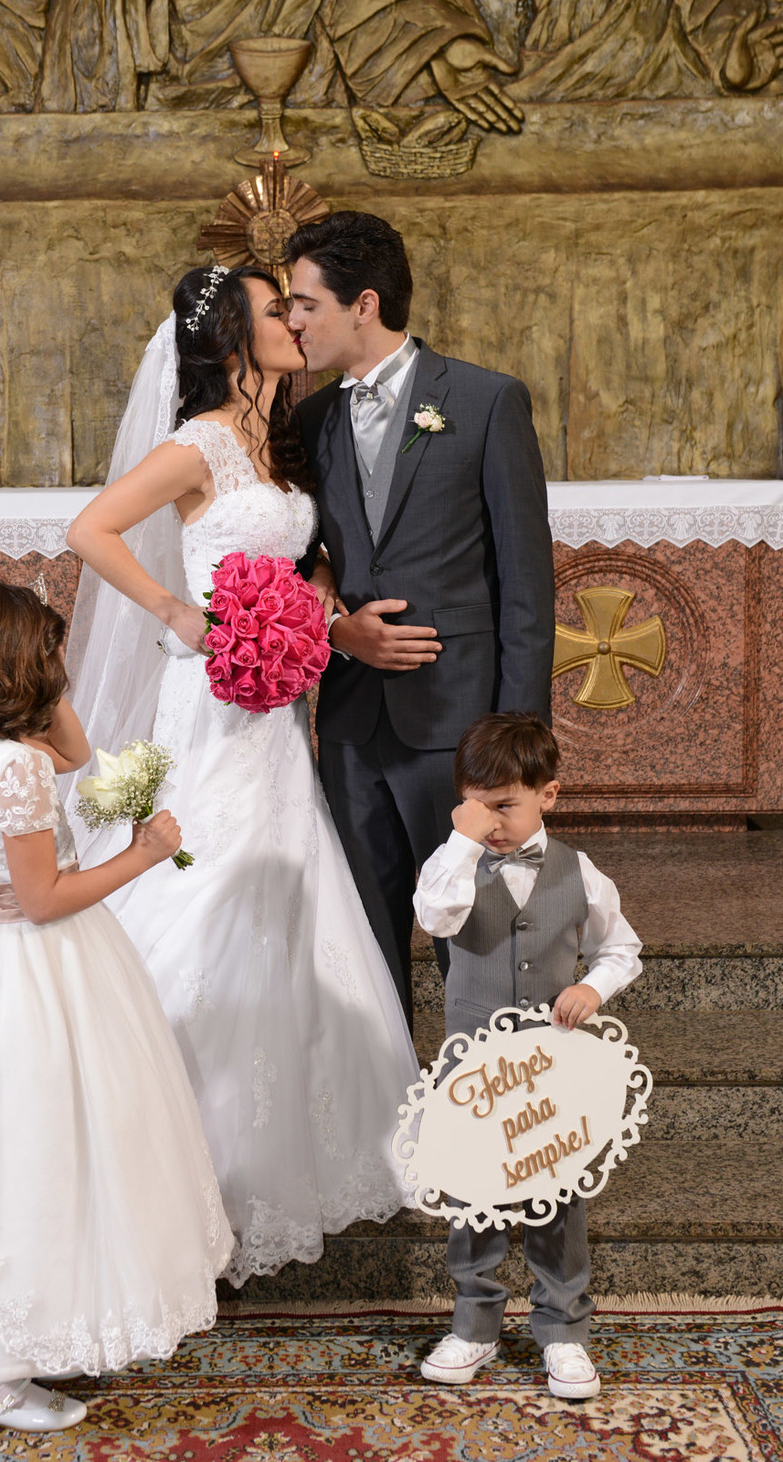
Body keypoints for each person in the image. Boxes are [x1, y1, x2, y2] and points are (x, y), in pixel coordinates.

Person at [63, 264, 420, 1287]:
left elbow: (304, 559)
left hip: (276, 722)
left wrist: (312, 616)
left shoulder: (289, 441)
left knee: (289, 892)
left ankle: (276, 1161)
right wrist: (180, 615)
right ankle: (167, 1168)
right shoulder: (200, 443)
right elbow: (90, 529)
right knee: (203, 890)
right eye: (278, 311)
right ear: (232, 337)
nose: (296, 321)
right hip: (211, 708)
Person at [0, 583, 233, 1438]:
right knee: (36, 1157)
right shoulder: (16, 767)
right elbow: (47, 897)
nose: (64, 666)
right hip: (31, 966)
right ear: (27, 663)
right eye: (52, 654)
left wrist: (47, 698)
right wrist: (145, 853)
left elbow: (79, 753)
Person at [285, 211, 555, 1027]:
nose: (292, 322)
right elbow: (299, 564)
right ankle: (392, 1132)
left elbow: (525, 585)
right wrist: (337, 629)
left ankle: (495, 1131)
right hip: (354, 727)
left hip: (459, 728)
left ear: (363, 304)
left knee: (477, 948)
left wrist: (516, 757)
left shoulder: (483, 401)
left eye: (305, 304)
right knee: (366, 950)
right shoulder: (308, 422)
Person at [412, 712, 642, 1399]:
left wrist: (592, 987)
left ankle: (564, 1330)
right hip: (476, 1070)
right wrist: (461, 841)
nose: (490, 822)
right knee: (474, 1194)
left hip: (554, 1069)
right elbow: (434, 918)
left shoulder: (579, 871)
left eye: (504, 806)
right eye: (476, 805)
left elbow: (621, 947)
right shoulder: (454, 864)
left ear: (549, 794)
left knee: (559, 1197)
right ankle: (475, 1325)